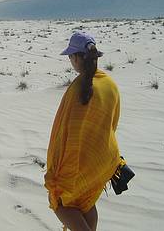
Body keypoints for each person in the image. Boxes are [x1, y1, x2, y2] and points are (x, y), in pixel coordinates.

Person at [44, 31, 122, 231]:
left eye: (71, 56)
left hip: (80, 163)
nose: (70, 60)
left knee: (61, 203)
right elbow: (112, 123)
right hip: (103, 160)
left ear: (78, 57)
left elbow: (64, 134)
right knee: (86, 201)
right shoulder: (109, 84)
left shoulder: (78, 89)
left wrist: (55, 171)